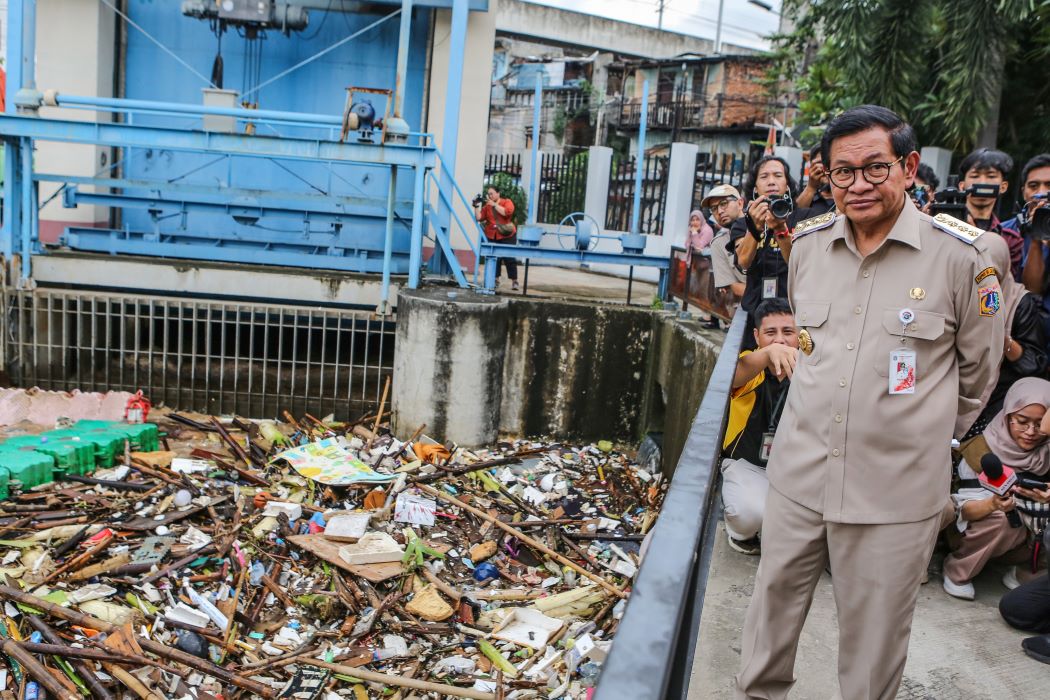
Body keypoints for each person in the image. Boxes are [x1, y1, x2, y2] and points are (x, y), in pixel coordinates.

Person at [736, 105, 1004, 700]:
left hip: (895, 491)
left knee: (873, 643)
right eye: (842, 173)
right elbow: (812, 348)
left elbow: (977, 375)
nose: (858, 185)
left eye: (874, 168)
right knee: (769, 620)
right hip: (800, 473)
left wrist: (908, 428)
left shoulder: (966, 257)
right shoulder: (806, 247)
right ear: (825, 177)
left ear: (908, 167)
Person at [944, 378, 1050, 600]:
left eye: (1040, 424)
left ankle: (1024, 571)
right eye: (1022, 421)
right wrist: (992, 504)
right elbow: (961, 510)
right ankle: (958, 570)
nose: (1031, 431)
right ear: (1007, 416)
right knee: (1002, 518)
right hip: (975, 533)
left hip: (1028, 543)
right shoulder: (981, 451)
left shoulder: (1045, 452)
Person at [721, 298, 798, 555]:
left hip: (796, 470)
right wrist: (767, 354)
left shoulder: (809, 367)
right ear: (756, 335)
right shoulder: (749, 362)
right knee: (749, 513)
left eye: (788, 332)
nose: (780, 340)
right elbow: (731, 378)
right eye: (770, 333)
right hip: (749, 464)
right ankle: (742, 534)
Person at [958, 148, 1023, 280]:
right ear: (962, 186)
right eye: (975, 176)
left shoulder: (1011, 240)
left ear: (1003, 187)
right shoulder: (943, 223)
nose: (982, 183)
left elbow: (1004, 284)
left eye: (991, 176)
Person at [702, 184, 747, 313]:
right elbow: (735, 287)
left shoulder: (763, 227)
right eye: (714, 208)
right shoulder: (719, 244)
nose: (720, 211)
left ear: (740, 203)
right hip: (752, 308)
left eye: (724, 203)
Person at [474, 185, 519, 291]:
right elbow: (479, 218)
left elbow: (507, 212)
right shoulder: (487, 206)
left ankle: (514, 280)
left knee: (509, 258)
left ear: (498, 193)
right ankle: (495, 279)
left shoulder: (506, 202)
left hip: (507, 234)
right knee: (495, 259)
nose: (489, 195)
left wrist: (494, 204)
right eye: (488, 193)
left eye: (492, 193)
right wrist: (476, 206)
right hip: (492, 234)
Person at [795, 144, 835, 215]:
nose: (825, 168)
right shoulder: (809, 196)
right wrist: (811, 187)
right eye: (820, 163)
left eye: (829, 162)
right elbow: (795, 217)